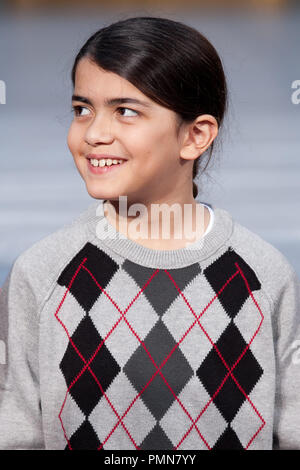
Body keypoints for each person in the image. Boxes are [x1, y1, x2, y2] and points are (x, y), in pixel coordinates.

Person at [0, 15, 299, 451]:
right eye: (82, 109)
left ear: (195, 136)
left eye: (125, 111)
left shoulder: (262, 274)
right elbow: (15, 432)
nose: (95, 133)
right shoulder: (42, 274)